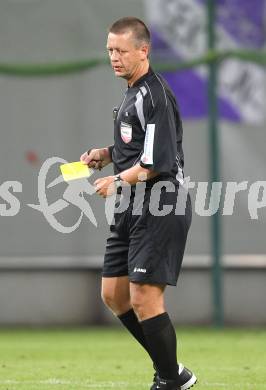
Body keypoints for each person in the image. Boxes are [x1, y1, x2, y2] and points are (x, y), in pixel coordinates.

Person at [80, 16, 197, 390]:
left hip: (161, 202)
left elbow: (154, 164)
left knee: (144, 298)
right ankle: (173, 370)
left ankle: (169, 379)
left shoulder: (155, 94)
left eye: (121, 50)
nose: (114, 57)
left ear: (143, 51)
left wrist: (114, 179)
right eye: (110, 50)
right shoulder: (131, 92)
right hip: (132, 206)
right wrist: (106, 154)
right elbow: (135, 149)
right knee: (114, 295)